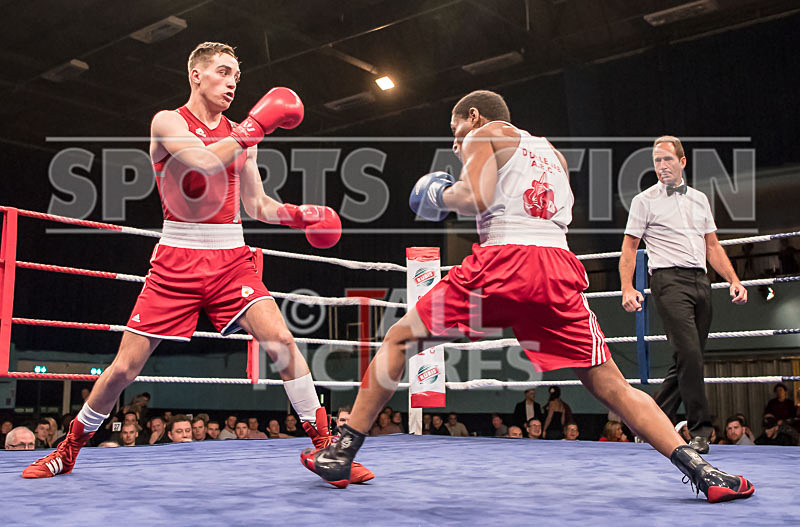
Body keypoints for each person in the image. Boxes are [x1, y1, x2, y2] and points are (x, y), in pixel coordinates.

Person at [301, 90, 754, 503]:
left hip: (503, 262)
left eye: (455, 129)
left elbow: (475, 198)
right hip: (556, 268)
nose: (456, 141)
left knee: (400, 340)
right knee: (613, 387)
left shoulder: (484, 133)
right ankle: (703, 472)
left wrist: (438, 191)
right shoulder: (550, 152)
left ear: (473, 116)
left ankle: (341, 452)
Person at [23, 41, 371, 485]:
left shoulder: (245, 135)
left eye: (236, 78)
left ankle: (327, 450)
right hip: (177, 258)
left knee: (282, 341)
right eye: (223, 73)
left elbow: (257, 204)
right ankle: (68, 449)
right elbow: (205, 163)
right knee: (124, 369)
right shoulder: (168, 121)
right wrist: (255, 125)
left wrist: (298, 215)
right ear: (196, 75)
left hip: (231, 257)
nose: (231, 83)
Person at [620, 135, 748, 455]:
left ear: (682, 162)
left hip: (701, 282)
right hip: (668, 282)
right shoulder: (644, 201)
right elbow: (629, 248)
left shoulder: (700, 200)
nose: (661, 165)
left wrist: (733, 279)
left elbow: (713, 246)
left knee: (686, 360)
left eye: (666, 159)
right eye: (656, 160)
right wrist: (626, 287)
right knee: (690, 355)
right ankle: (700, 429)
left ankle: (651, 423)